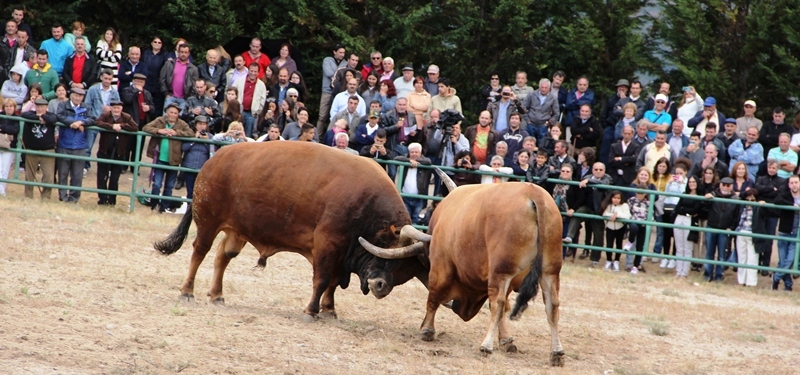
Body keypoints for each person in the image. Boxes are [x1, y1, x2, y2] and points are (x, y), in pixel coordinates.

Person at [142, 103, 195, 213]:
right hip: (160, 158)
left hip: (174, 160)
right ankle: (154, 204)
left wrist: (176, 133)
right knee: (156, 183)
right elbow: (146, 127)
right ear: (167, 112)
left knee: (169, 185)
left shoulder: (182, 124)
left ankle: (164, 207)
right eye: (171, 112)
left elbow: (191, 133)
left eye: (175, 113)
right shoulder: (160, 120)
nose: (173, 115)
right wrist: (159, 131)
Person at [564, 162, 612, 268]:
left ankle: (595, 259)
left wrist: (588, 181)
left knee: (598, 235)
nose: (598, 171)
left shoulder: (607, 178)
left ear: (604, 171)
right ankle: (569, 236)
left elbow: (604, 185)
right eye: (596, 169)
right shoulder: (586, 177)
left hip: (600, 210)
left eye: (600, 170)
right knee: (577, 214)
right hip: (587, 207)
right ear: (592, 170)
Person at [93, 100, 137, 205]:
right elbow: (97, 122)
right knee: (102, 176)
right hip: (104, 151)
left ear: (122, 109)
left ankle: (112, 201)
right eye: (114, 107)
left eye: (118, 108)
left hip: (119, 152)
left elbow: (135, 127)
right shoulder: (105, 115)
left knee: (114, 178)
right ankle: (102, 199)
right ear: (111, 108)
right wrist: (111, 126)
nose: (116, 110)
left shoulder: (127, 117)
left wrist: (121, 125)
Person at [55, 87, 94, 203]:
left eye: (80, 96)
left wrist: (81, 122)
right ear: (71, 95)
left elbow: (92, 119)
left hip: (80, 145)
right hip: (64, 143)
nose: (78, 98)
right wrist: (73, 123)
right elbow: (59, 116)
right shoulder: (63, 105)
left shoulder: (86, 107)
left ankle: (74, 198)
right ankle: (63, 197)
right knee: (62, 173)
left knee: (77, 175)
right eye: (76, 95)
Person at [702, 177, 740, 282]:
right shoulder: (713, 195)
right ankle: (707, 273)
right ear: (720, 185)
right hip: (711, 226)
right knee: (709, 252)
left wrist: (731, 228)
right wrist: (706, 199)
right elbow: (704, 209)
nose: (725, 187)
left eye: (728, 185)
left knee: (722, 254)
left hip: (724, 229)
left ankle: (719, 274)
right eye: (723, 184)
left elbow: (736, 216)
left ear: (732, 186)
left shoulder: (735, 199)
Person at [19, 98, 57, 198]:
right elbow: (23, 114)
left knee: (49, 176)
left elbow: (53, 119)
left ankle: (46, 197)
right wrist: (38, 117)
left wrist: (43, 116)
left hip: (48, 150)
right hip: (32, 149)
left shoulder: (50, 115)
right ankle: (28, 196)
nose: (40, 109)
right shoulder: (31, 114)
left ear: (46, 107)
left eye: (42, 107)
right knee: (29, 175)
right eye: (38, 107)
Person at [545, 164, 584, 258]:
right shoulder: (553, 181)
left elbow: (580, 198)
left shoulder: (575, 184)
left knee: (563, 235)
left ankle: (560, 257)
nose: (565, 173)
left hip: (567, 214)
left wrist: (573, 208)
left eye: (567, 171)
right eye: (563, 171)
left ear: (571, 173)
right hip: (553, 212)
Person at [772, 175, 800, 291]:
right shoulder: (785, 195)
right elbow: (777, 200)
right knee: (783, 260)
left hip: (796, 233)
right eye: (792, 183)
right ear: (789, 185)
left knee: (790, 260)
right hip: (784, 231)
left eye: (796, 182)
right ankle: (788, 285)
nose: (794, 185)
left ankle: (776, 277)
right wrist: (792, 206)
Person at [395, 143, 431, 224]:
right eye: (412, 152)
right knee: (405, 219)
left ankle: (414, 236)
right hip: (405, 197)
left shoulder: (424, 161)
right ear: (409, 153)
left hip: (418, 198)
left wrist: (416, 162)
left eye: (416, 152)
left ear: (420, 153)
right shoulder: (406, 159)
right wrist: (409, 161)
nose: (414, 154)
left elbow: (428, 161)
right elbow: (396, 158)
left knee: (415, 219)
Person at [316, 43, 347, 134]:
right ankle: (318, 137)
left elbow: (345, 76)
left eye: (343, 53)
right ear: (334, 52)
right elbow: (328, 73)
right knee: (322, 117)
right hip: (327, 91)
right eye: (340, 52)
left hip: (340, 92)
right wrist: (340, 74)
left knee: (336, 116)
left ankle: (333, 136)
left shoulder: (345, 63)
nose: (342, 54)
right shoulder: (327, 60)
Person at [733, 189, 762, 287]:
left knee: (752, 258)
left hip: (752, 233)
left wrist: (762, 204)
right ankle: (741, 281)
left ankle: (751, 283)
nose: (749, 201)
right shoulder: (742, 207)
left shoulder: (759, 208)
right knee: (742, 257)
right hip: (741, 232)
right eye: (747, 199)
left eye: (752, 200)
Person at [159, 43, 198, 113]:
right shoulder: (169, 64)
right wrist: (166, 93)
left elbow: (194, 85)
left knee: (181, 121)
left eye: (186, 52)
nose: (183, 54)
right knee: (166, 118)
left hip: (184, 98)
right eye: (182, 52)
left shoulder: (193, 69)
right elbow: (162, 79)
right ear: (178, 52)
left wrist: (189, 98)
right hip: (170, 97)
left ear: (189, 53)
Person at [180, 116, 212, 199]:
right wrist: (195, 139)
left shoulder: (211, 137)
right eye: (200, 124)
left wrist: (207, 141)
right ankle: (189, 209)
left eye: (204, 124)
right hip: (189, 167)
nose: (202, 126)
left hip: (203, 168)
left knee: (200, 192)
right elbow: (184, 148)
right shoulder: (190, 135)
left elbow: (213, 152)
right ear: (195, 125)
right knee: (190, 191)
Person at [625, 183, 653, 274]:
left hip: (643, 225)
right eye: (638, 192)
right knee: (633, 228)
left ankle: (636, 266)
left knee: (640, 246)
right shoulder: (631, 200)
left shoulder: (648, 203)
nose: (639, 194)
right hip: (633, 221)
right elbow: (627, 211)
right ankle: (630, 241)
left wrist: (646, 222)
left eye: (641, 193)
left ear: (645, 193)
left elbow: (650, 215)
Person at [601, 190, 631, 271]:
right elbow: (604, 214)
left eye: (618, 198)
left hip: (620, 227)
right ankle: (608, 260)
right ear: (611, 198)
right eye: (614, 198)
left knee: (619, 244)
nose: (616, 200)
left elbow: (627, 215)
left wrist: (617, 215)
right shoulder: (608, 205)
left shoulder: (625, 205)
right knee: (609, 244)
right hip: (609, 227)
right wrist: (612, 215)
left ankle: (616, 261)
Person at [142, 37, 168, 114]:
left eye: (159, 42)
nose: (157, 44)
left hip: (158, 86)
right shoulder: (145, 54)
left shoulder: (165, 55)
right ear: (151, 43)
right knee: (146, 106)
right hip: (147, 85)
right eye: (155, 42)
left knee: (157, 108)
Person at [0, 99, 20, 196]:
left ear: (14, 108)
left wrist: (2, 128)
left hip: (10, 147)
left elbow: (15, 130)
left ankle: (1, 191)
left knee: (5, 170)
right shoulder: (1, 116)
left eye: (11, 106)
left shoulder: (17, 118)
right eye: (6, 106)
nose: (8, 108)